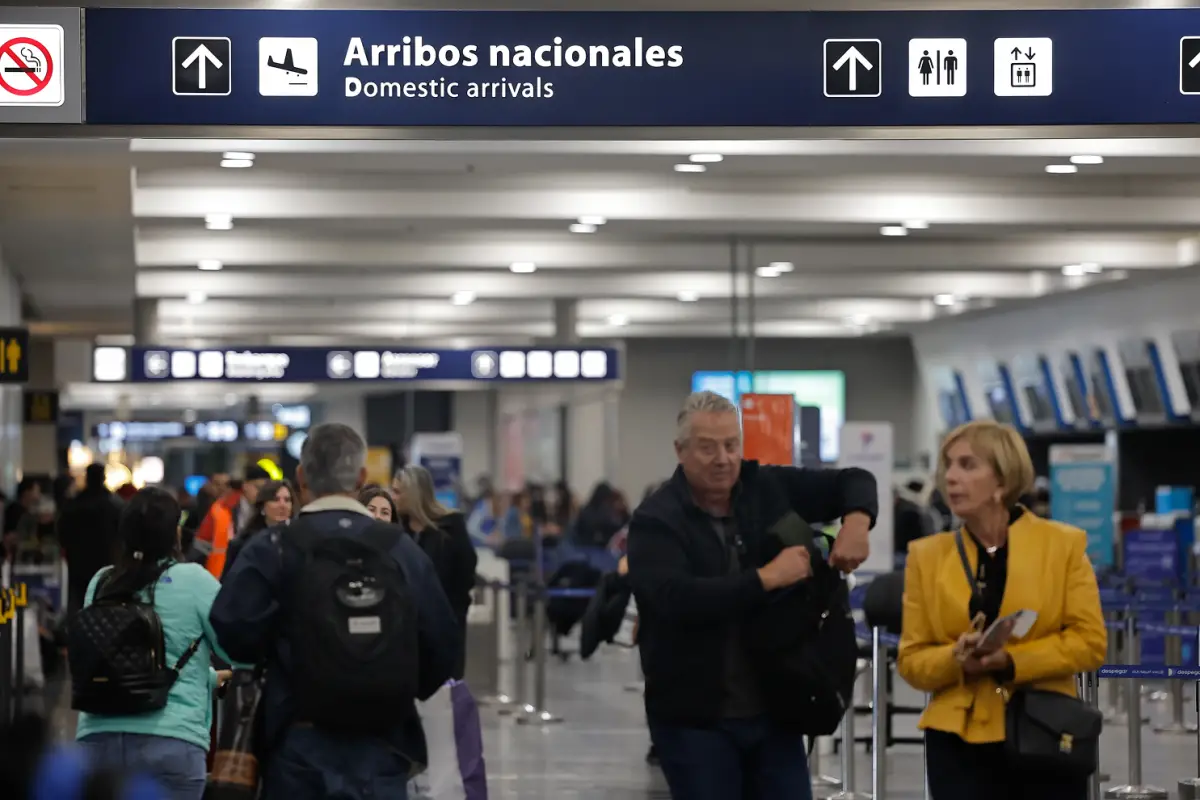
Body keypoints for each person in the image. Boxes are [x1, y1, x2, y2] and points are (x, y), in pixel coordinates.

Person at [626, 391, 877, 800]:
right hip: (695, 718)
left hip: (775, 710)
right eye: (707, 448)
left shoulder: (766, 489)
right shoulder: (656, 520)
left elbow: (853, 481)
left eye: (731, 445)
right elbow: (676, 599)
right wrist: (766, 578)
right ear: (681, 451)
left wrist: (857, 522)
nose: (723, 458)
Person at [211, 423, 461, 799]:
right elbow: (443, 642)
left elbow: (229, 626)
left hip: (297, 739)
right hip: (383, 738)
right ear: (361, 478)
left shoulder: (274, 547)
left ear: (300, 476)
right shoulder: (400, 549)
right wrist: (395, 683)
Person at [896, 420, 1106, 800]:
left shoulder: (1063, 547)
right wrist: (955, 658)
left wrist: (1010, 661)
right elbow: (911, 660)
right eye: (948, 465)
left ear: (1003, 481)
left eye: (967, 465)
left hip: (1044, 730)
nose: (951, 477)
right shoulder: (925, 557)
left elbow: (1089, 642)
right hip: (957, 740)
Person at [74, 487, 236, 800]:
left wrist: (208, 680)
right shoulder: (194, 580)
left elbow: (119, 662)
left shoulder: (103, 581)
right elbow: (234, 647)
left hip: (98, 741)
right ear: (174, 533)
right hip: (171, 740)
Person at [392, 465, 478, 680]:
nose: (393, 497)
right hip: (407, 626)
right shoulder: (396, 530)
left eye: (397, 492)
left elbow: (466, 569)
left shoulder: (450, 527)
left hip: (446, 621)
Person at [58, 463, 123, 615]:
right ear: (104, 478)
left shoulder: (74, 505)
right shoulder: (114, 505)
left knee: (79, 604)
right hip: (107, 563)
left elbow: (63, 533)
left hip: (78, 564)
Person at [221, 479, 294, 580]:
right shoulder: (242, 543)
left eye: (287, 500)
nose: (283, 505)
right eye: (275, 499)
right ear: (262, 506)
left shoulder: (300, 540)